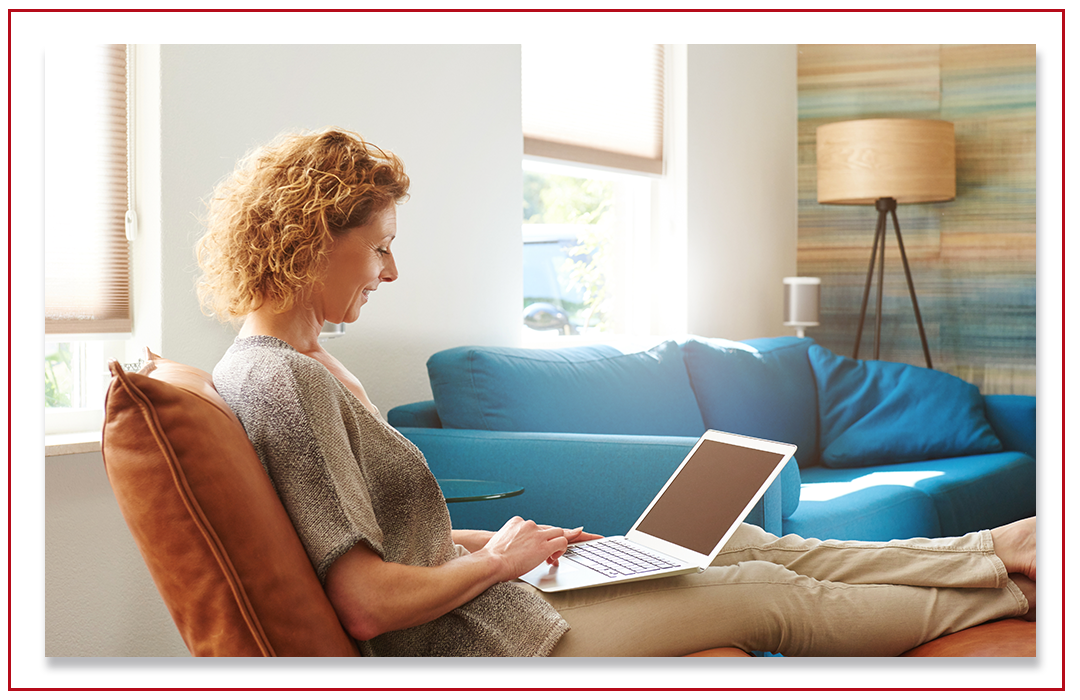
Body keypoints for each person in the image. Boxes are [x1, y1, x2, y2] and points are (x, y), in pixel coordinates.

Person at [197, 127, 1036, 657]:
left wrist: (516, 543)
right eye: (378, 247)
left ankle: (994, 550)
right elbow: (370, 605)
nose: (390, 270)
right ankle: (1011, 589)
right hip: (476, 638)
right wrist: (500, 563)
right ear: (312, 240)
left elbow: (390, 539)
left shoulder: (299, 366)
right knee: (766, 595)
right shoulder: (281, 385)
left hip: (491, 595)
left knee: (742, 542)